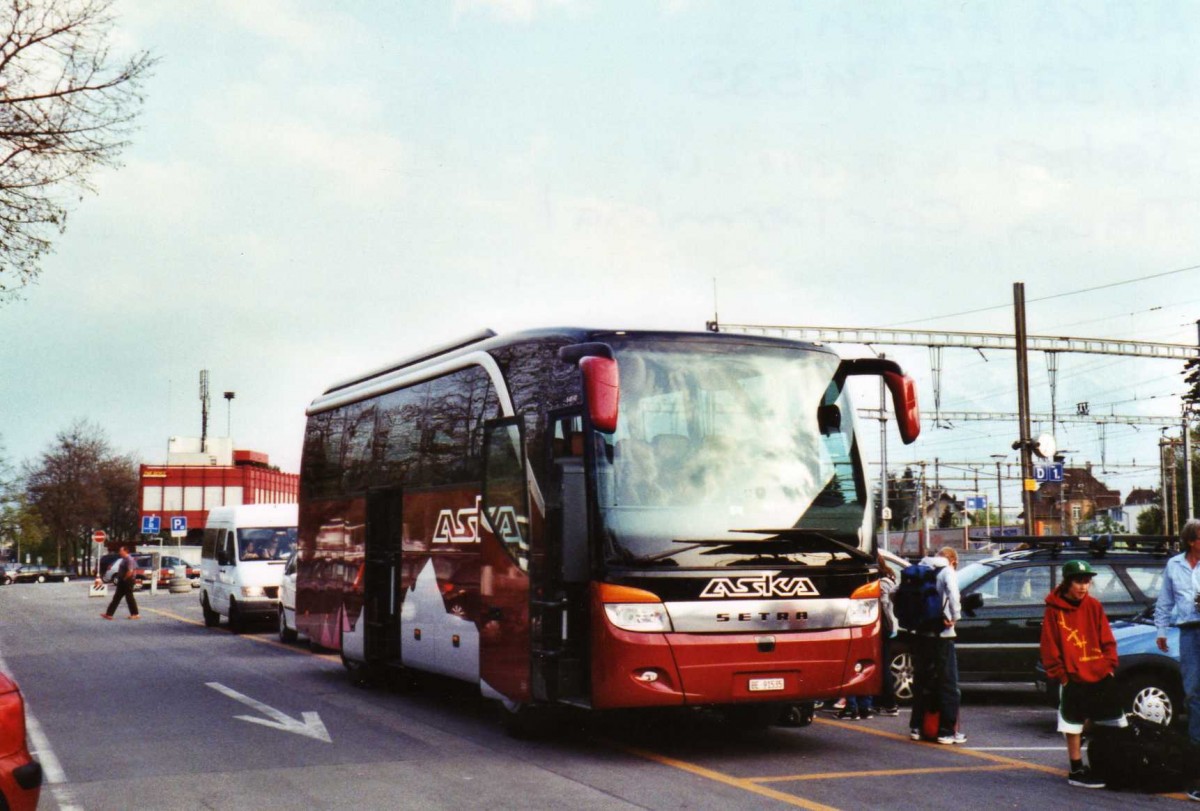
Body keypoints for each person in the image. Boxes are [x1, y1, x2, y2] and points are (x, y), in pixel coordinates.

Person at [1040, 559, 1125, 789]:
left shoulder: (1094, 606)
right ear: (1067, 583)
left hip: (1099, 672)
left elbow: (1107, 638)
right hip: (1072, 674)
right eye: (1078, 582)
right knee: (1072, 723)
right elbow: (1049, 644)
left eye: (1087, 582)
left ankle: (1109, 764)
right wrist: (1061, 674)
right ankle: (1076, 768)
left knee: (1111, 719)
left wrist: (1108, 666)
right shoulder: (1054, 610)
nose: (1083, 587)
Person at [1153, 518, 1200, 802]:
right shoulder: (1175, 565)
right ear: (1192, 541)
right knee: (1193, 693)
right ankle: (1197, 765)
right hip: (1189, 632)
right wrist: (1161, 630)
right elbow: (1165, 601)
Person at [909, 546, 964, 744]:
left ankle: (917, 726)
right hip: (943, 634)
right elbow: (954, 595)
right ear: (953, 561)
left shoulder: (921, 567)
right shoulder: (947, 571)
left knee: (922, 680)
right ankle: (946, 731)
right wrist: (955, 617)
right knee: (948, 682)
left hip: (922, 633)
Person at [875, 554, 901, 716]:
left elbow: (885, 608)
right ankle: (883, 703)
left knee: (883, 665)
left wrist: (891, 627)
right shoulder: (889, 581)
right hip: (890, 628)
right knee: (882, 664)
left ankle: (890, 703)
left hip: (884, 628)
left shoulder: (882, 584)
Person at [99, 545, 140, 620]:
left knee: (129, 598)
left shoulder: (129, 559)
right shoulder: (123, 559)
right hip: (122, 581)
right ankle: (109, 614)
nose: (120, 552)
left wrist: (124, 579)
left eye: (121, 551)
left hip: (127, 581)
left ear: (125, 551)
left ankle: (135, 614)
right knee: (116, 597)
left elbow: (130, 571)